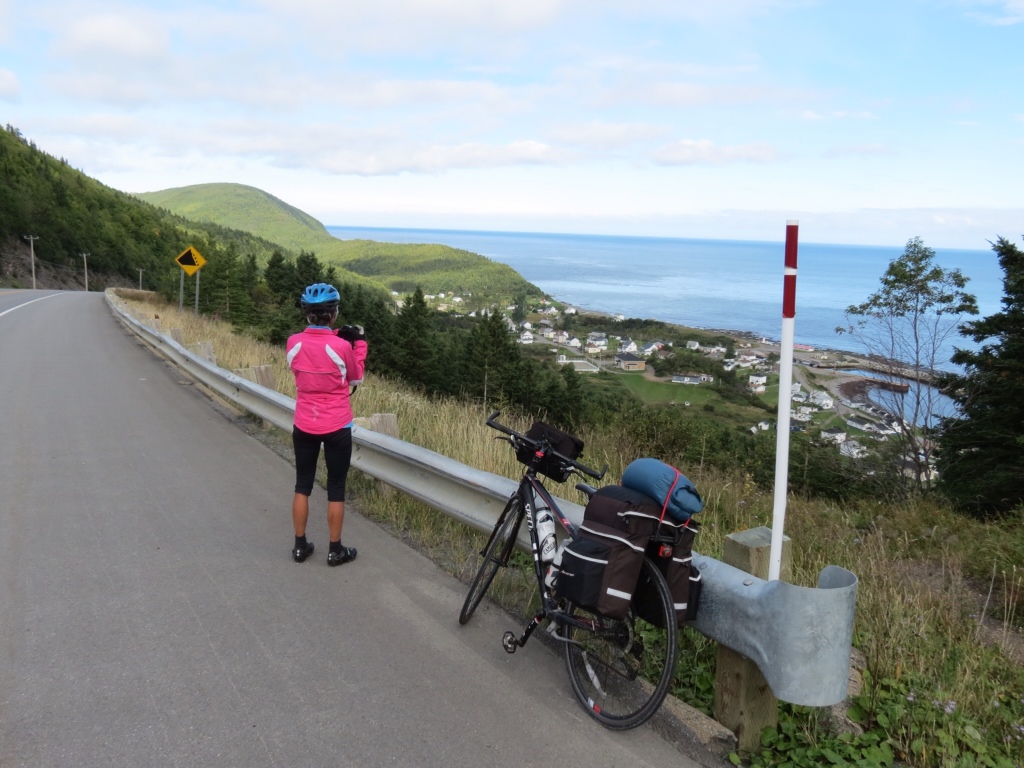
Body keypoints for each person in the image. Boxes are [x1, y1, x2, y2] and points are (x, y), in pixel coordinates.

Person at [285, 283, 367, 566]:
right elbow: (355, 378)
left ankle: (299, 546)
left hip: (304, 422)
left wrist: (333, 336)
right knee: (336, 487)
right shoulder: (342, 346)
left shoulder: (293, 342)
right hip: (337, 425)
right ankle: (335, 550)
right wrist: (360, 344)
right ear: (333, 313)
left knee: (302, 484)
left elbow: (310, 358)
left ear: (306, 313)